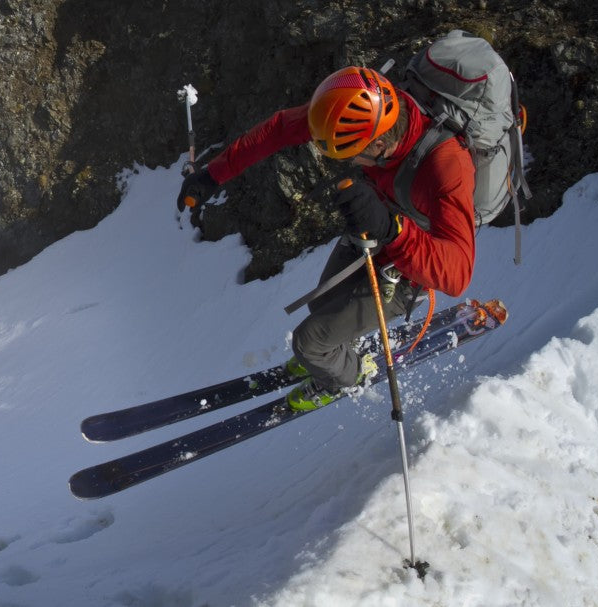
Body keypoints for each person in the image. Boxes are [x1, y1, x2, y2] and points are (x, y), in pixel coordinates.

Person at [177, 66, 476, 411]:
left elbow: (458, 274)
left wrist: (394, 230)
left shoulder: (446, 167)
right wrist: (214, 175)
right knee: (321, 307)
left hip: (410, 268)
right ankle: (333, 354)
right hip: (373, 229)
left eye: (349, 154)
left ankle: (345, 377)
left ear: (379, 143)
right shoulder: (356, 113)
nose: (344, 161)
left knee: (310, 343)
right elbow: (278, 129)